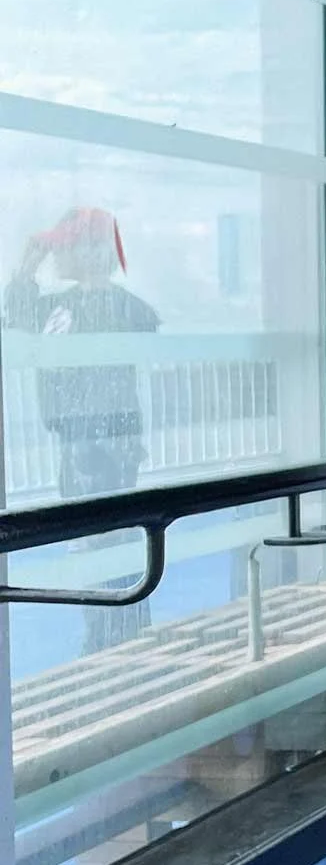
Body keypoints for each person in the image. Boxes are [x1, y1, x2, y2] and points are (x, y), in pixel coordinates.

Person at [2, 206, 160, 651]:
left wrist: (29, 267)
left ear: (92, 252)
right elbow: (15, 314)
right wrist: (26, 267)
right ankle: (112, 635)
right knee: (99, 541)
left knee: (107, 542)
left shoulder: (119, 308)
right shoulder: (63, 307)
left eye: (62, 246)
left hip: (104, 441)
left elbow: (139, 332)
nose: (53, 254)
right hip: (81, 440)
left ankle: (116, 640)